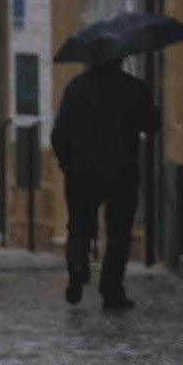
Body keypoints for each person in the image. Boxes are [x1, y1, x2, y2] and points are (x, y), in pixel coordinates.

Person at [51, 58, 158, 309]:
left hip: (81, 174)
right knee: (119, 233)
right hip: (122, 173)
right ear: (120, 59)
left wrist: (68, 164)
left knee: (78, 225)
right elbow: (151, 125)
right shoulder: (134, 88)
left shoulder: (75, 89)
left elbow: (58, 135)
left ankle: (78, 265)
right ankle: (112, 289)